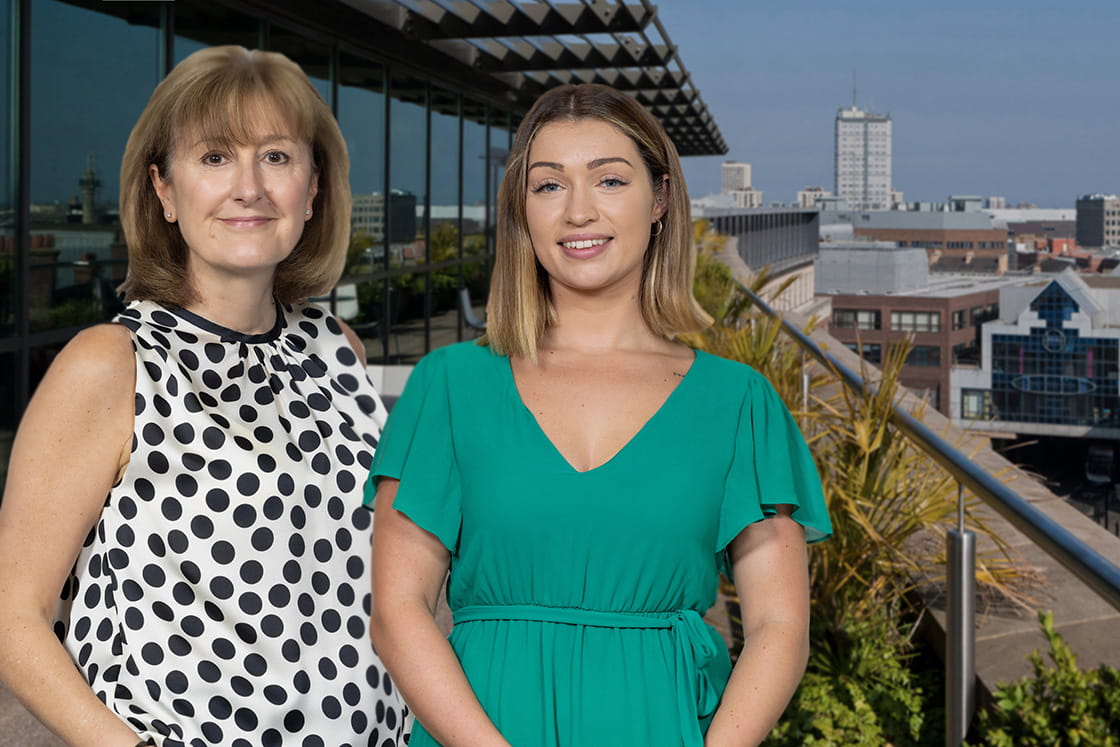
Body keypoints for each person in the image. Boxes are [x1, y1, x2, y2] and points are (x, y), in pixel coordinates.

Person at [367, 83, 831, 746]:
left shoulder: (736, 403)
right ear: (522, 212)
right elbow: (398, 611)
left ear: (661, 199)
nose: (577, 211)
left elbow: (779, 626)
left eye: (609, 179)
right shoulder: (449, 385)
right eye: (549, 186)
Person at [0, 46, 408, 746]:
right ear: (163, 191)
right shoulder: (113, 364)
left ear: (314, 189)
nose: (248, 187)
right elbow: (11, 612)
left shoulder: (340, 348)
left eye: (277, 157)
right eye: (215, 157)